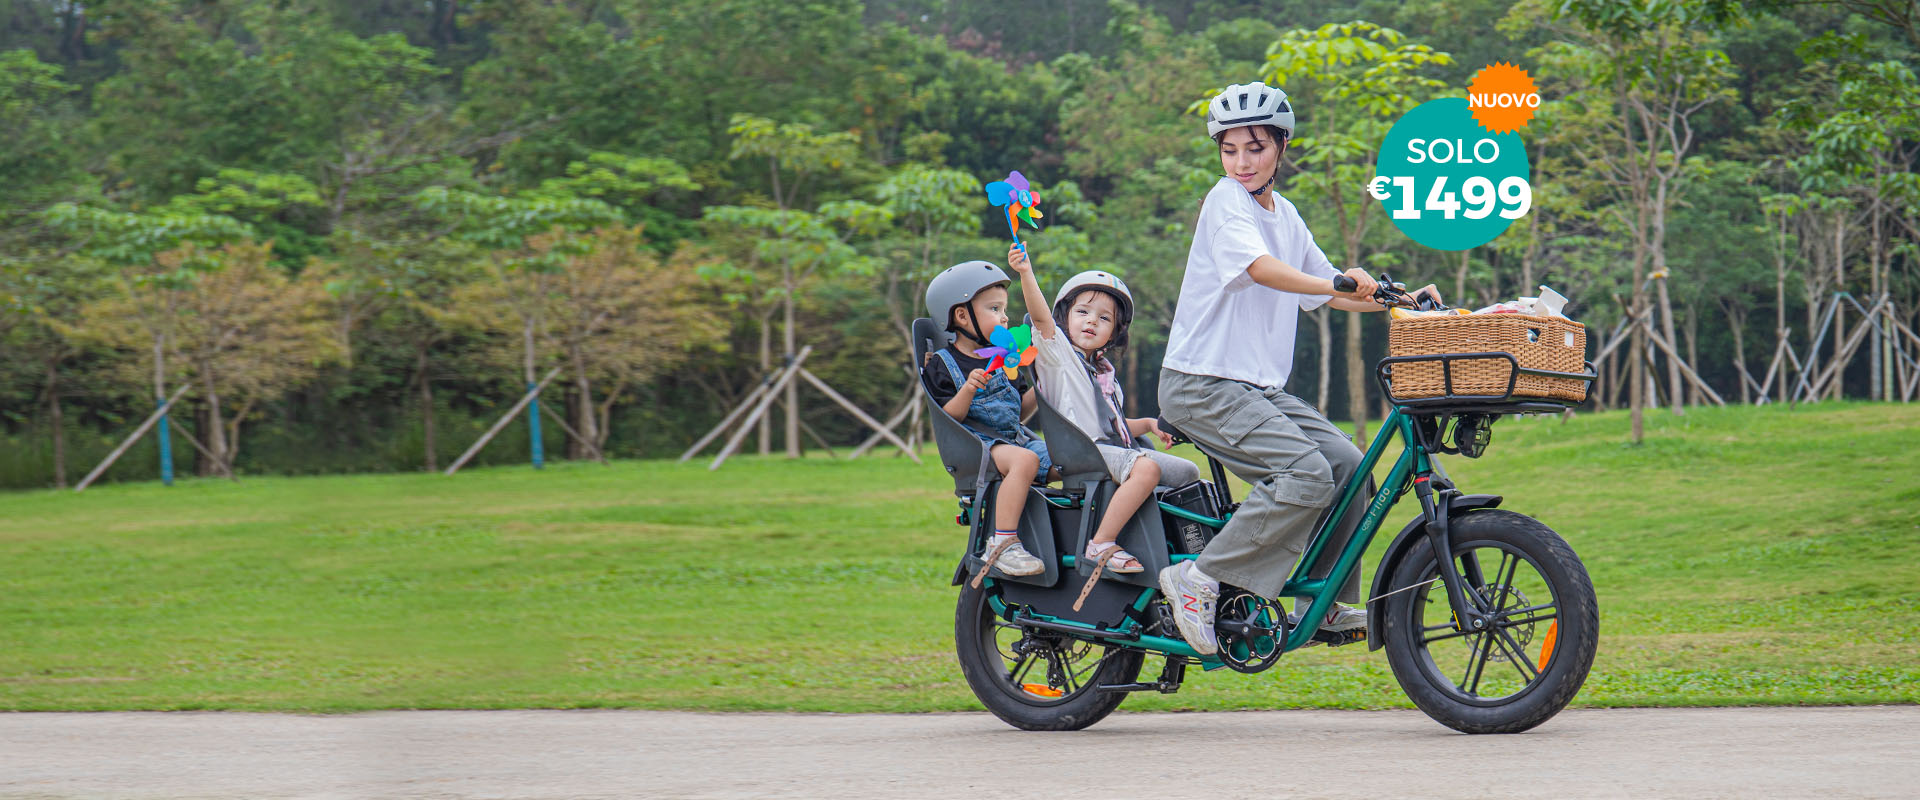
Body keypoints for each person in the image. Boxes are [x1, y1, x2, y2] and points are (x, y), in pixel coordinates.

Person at [1155, 81, 1442, 655]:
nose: (1241, 161)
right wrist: (1337, 281)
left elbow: (1331, 293)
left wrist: (1395, 299)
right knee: (1305, 475)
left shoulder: (1284, 215)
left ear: (1281, 147)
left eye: (1255, 147)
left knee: (1347, 466)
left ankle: (1324, 603)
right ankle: (1200, 580)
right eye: (1229, 148)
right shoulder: (1224, 203)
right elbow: (1262, 270)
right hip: (1201, 382)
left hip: (1254, 389)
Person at [1007, 243, 1200, 584]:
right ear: (1064, 316)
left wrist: (1151, 425)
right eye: (1083, 312)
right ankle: (1101, 543)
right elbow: (1039, 317)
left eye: (1104, 318)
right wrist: (1026, 273)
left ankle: (1178, 552)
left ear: (1115, 332)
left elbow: (1114, 425)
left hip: (1110, 449)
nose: (1092, 322)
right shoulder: (1058, 357)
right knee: (1147, 468)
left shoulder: (1103, 372)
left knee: (1188, 471)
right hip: (1081, 452)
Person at [921, 260, 1058, 577]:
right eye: (995, 309)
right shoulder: (943, 364)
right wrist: (967, 390)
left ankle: (1063, 535)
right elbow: (948, 420)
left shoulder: (1005, 359)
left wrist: (1041, 386)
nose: (1005, 317)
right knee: (1024, 461)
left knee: (1070, 459)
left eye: (1004, 309)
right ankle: (1003, 543)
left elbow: (1019, 413)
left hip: (1014, 440)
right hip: (976, 446)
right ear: (961, 315)